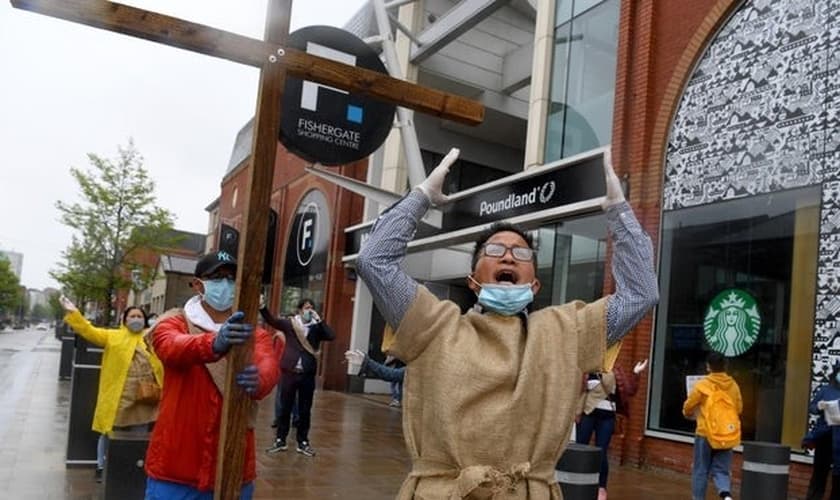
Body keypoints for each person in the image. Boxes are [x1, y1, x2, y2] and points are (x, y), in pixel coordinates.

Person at [355, 147, 659, 499]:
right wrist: (421, 197)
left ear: (534, 284)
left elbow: (640, 294)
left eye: (522, 252)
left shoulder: (566, 332)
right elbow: (373, 260)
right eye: (495, 251)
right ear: (472, 280)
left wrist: (618, 212)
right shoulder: (433, 324)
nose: (510, 255)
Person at [143, 251, 281, 499]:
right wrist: (214, 343)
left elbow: (267, 363)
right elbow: (171, 346)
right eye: (217, 277)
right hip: (176, 468)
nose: (226, 285)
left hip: (233, 467)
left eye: (231, 278)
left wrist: (260, 378)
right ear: (198, 285)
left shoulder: (253, 332)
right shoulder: (174, 322)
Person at [60, 298, 163, 483]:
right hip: (118, 396)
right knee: (108, 432)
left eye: (140, 316)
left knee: (140, 433)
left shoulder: (151, 338)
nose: (136, 319)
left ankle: (133, 465)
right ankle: (101, 466)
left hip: (144, 397)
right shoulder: (113, 336)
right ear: (124, 319)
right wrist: (74, 313)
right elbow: (88, 331)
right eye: (132, 316)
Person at [262, 298, 335, 457]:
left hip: (307, 374)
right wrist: (263, 307)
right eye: (307, 308)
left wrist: (319, 320)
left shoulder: (316, 328)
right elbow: (272, 320)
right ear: (300, 309)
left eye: (312, 308)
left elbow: (331, 336)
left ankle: (303, 441)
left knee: (305, 409)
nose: (309, 310)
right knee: (284, 407)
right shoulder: (290, 324)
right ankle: (281, 439)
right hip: (289, 371)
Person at [575, 359, 647, 500]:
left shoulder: (616, 370)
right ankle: (579, 481)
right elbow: (578, 391)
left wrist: (636, 373)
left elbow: (630, 390)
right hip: (588, 414)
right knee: (581, 448)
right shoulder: (588, 368)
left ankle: (601, 487)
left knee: (602, 451)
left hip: (607, 418)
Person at [682, 352, 742, 500]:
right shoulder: (733, 385)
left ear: (708, 367)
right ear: (725, 366)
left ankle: (698, 498)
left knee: (700, 469)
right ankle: (725, 494)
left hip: (705, 432)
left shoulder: (702, 385)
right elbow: (739, 408)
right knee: (722, 469)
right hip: (726, 433)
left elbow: (689, 405)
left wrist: (687, 413)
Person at [804, 364, 840, 500]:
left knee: (838, 477)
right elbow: (812, 408)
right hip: (824, 436)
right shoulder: (825, 390)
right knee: (819, 474)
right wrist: (820, 406)